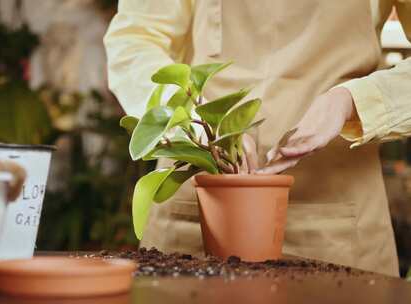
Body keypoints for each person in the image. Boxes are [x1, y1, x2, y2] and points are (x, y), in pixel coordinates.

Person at [104, 0, 411, 276]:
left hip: (339, 224)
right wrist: (194, 121)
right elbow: (135, 39)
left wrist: (354, 101)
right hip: (194, 213)